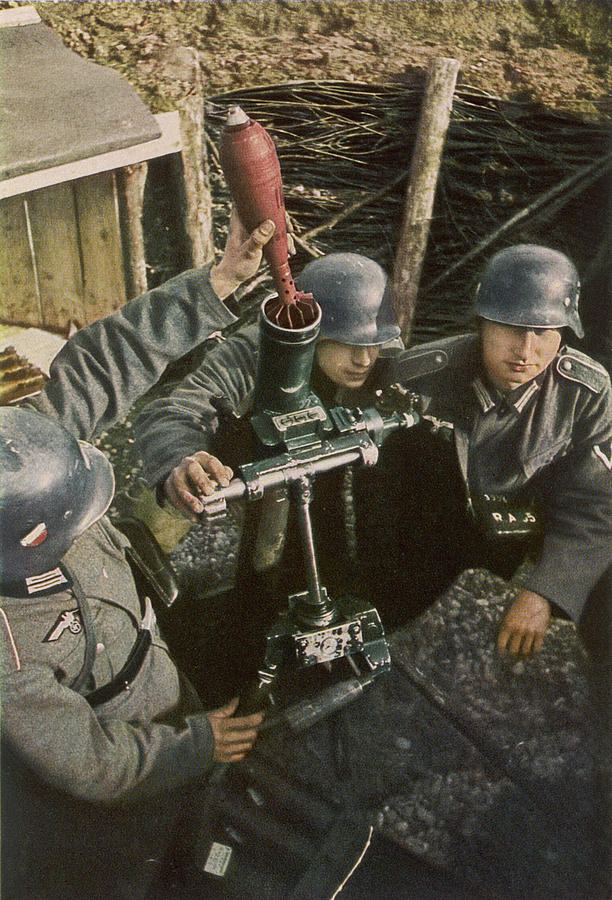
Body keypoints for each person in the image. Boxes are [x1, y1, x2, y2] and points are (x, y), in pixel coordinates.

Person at [0, 215, 274, 900]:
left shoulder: (23, 454)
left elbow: (102, 360)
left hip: (151, 668)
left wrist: (218, 281)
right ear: (29, 546)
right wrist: (193, 748)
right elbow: (90, 764)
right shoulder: (9, 655)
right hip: (113, 765)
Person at [133, 251, 403, 697]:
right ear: (312, 332)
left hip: (328, 477)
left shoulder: (380, 353)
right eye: (347, 343)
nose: (364, 358)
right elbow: (173, 411)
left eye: (373, 344)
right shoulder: (259, 351)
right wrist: (180, 463)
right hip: (235, 472)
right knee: (157, 551)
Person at [355, 244, 611, 664]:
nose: (526, 351)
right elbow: (378, 501)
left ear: (565, 332)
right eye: (510, 328)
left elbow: (596, 504)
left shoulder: (585, 393)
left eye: (544, 332)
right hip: (430, 542)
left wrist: (544, 591)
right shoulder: (421, 378)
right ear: (482, 324)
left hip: (527, 541)